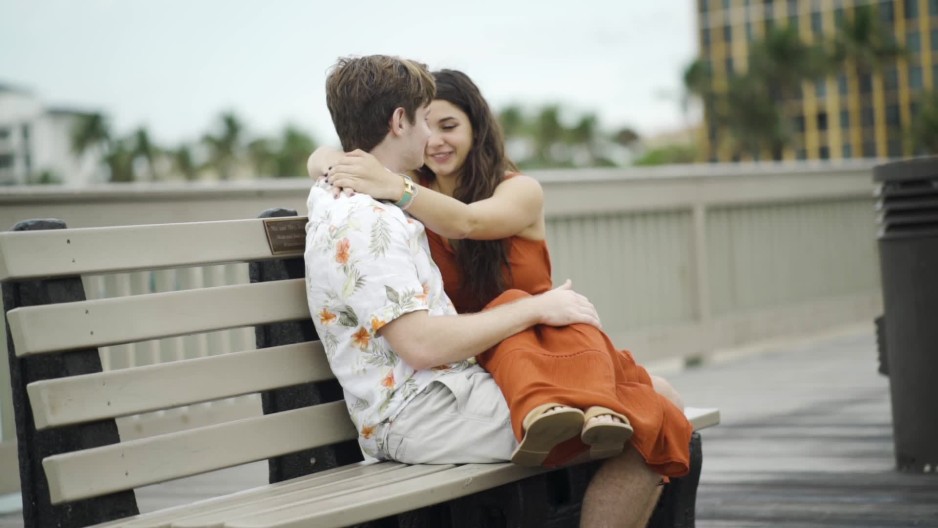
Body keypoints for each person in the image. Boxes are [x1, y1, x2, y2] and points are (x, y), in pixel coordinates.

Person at [305, 54, 665, 528]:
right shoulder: (368, 215)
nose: (431, 138)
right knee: (651, 421)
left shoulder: (390, 198)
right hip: (423, 407)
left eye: (446, 124)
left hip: (459, 380)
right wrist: (537, 307)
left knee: (653, 405)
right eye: (422, 122)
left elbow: (470, 221)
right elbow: (420, 345)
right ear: (399, 121)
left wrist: (376, 174)